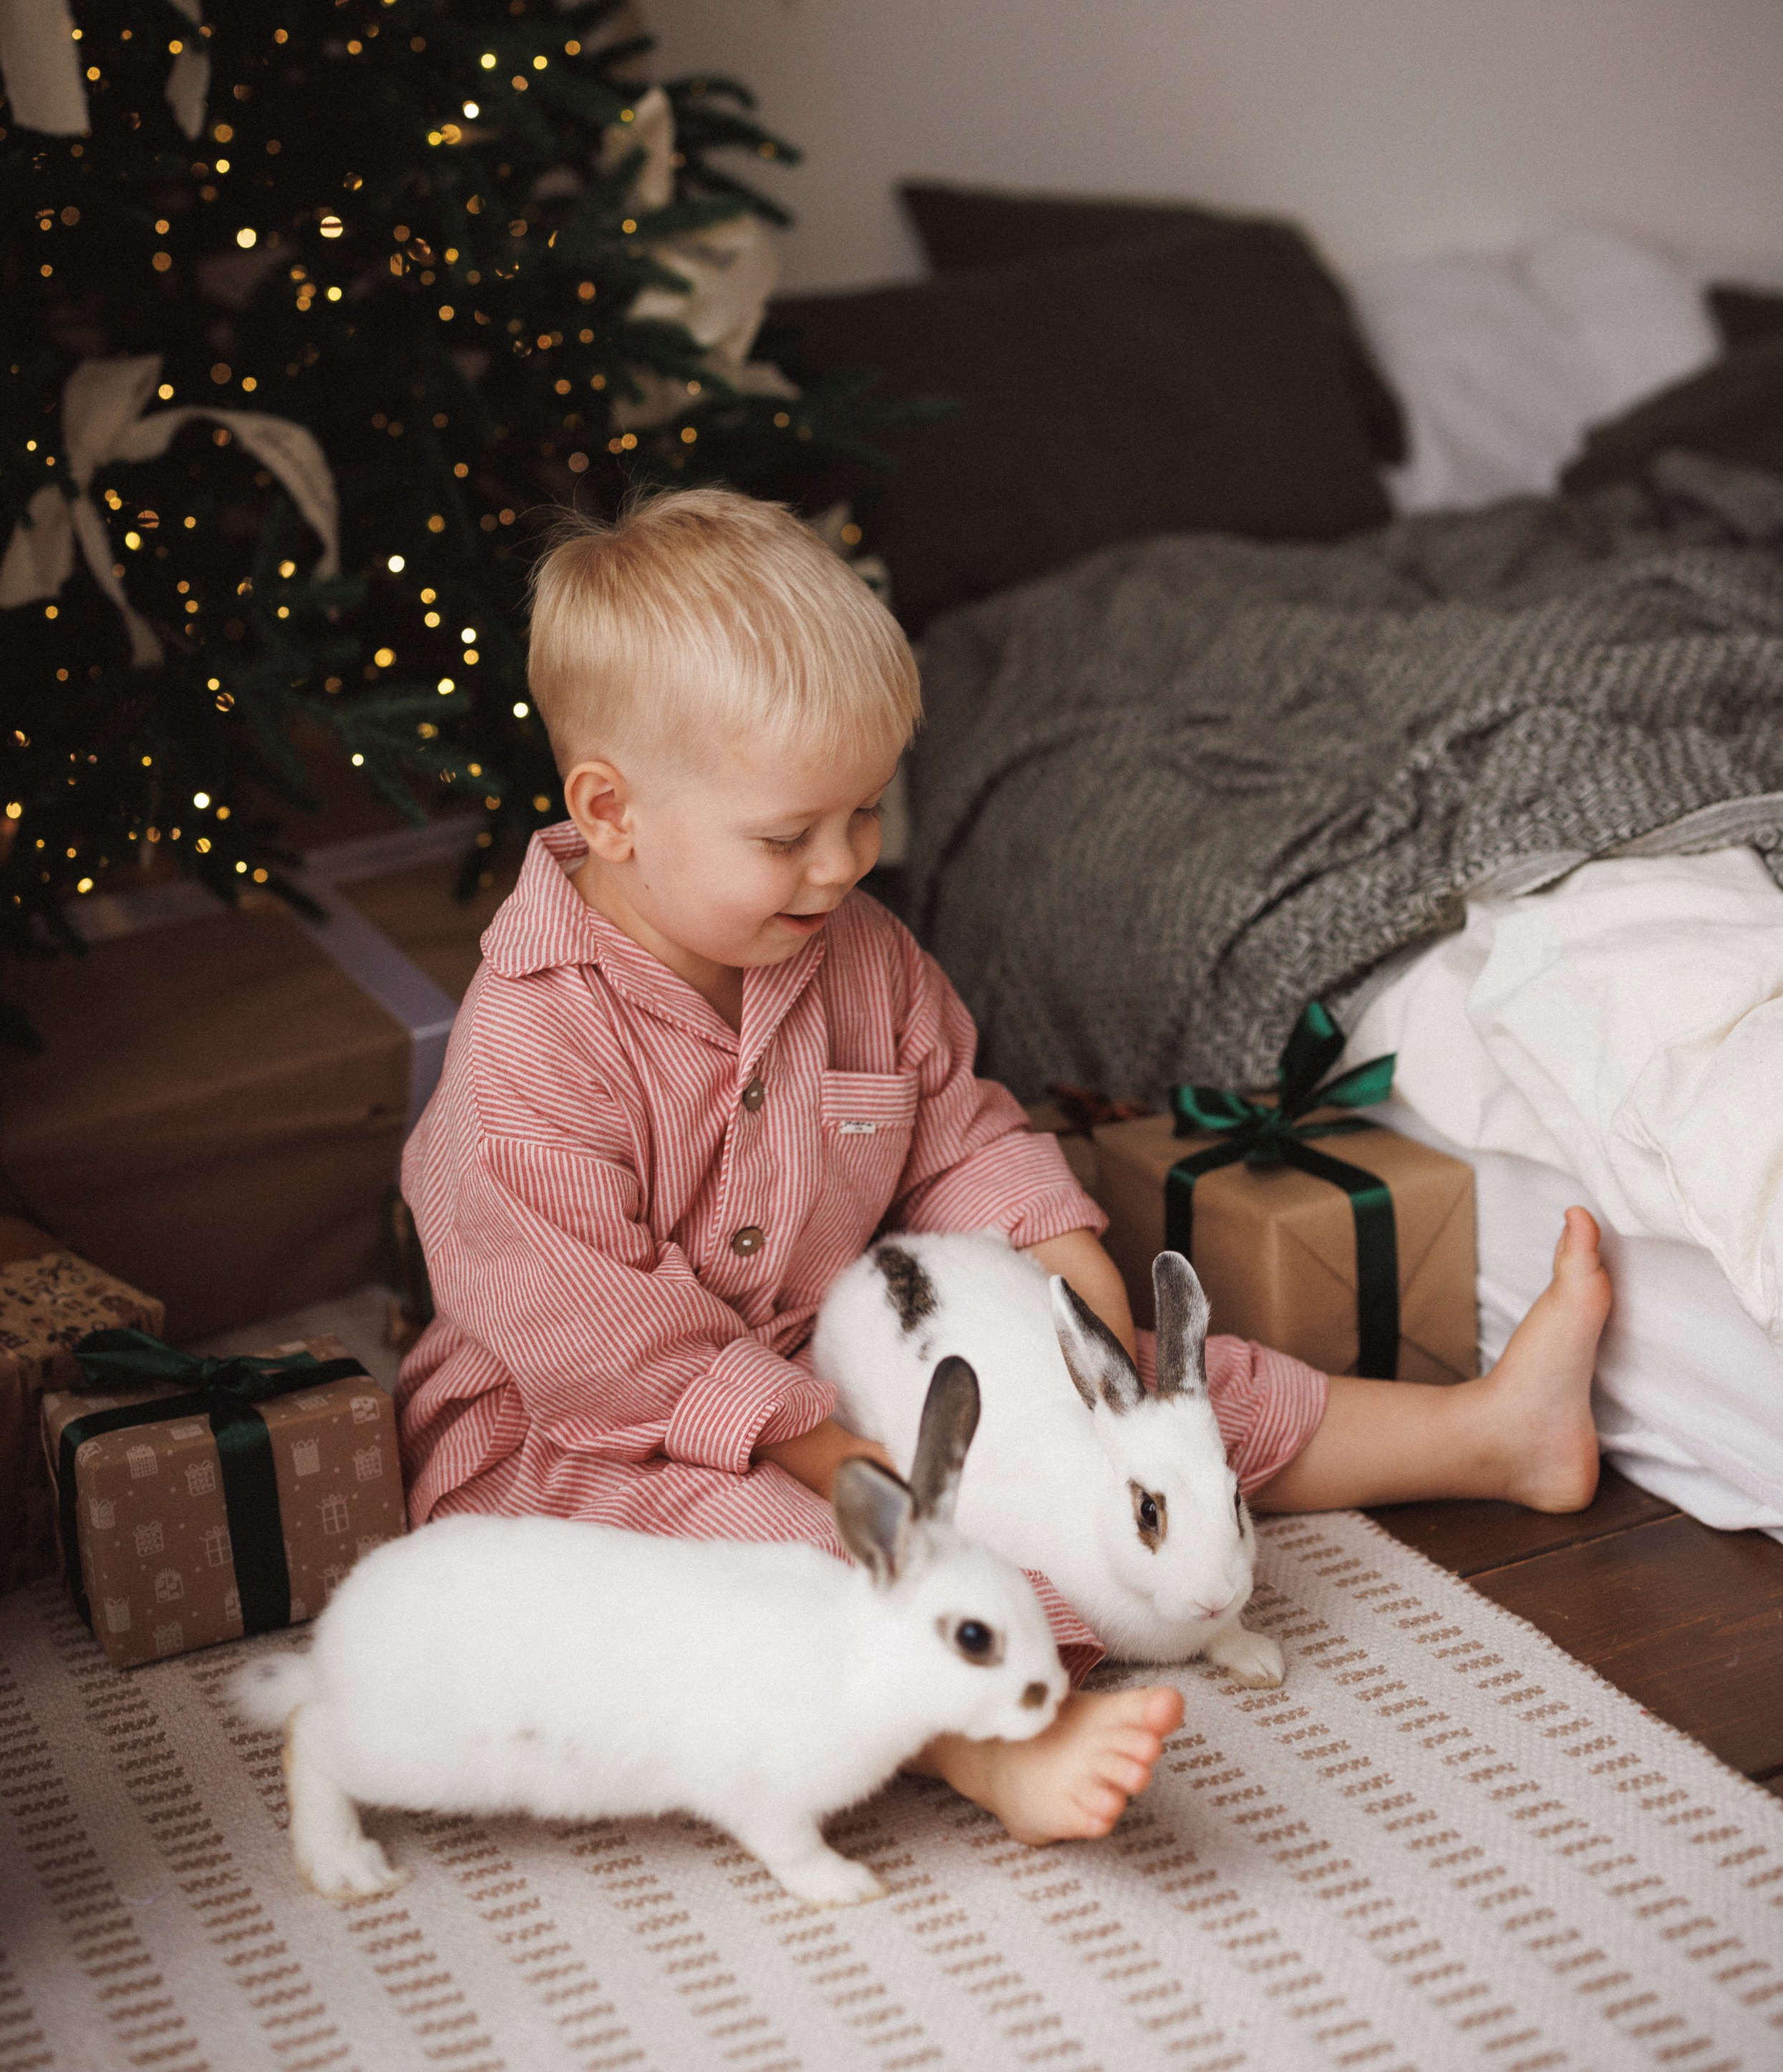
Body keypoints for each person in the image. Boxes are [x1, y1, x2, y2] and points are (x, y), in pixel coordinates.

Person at [397, 490, 1613, 1849]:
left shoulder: (858, 950)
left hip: (839, 1355)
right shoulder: (532, 1045)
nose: (842, 863)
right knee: (793, 1560)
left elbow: (959, 1130)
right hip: (588, 1428)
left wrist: (1069, 1295)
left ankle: (1493, 1436)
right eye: (788, 834)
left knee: (1171, 1398)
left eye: (866, 814)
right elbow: (602, 1334)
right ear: (611, 814)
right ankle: (996, 1755)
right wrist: (818, 1447)